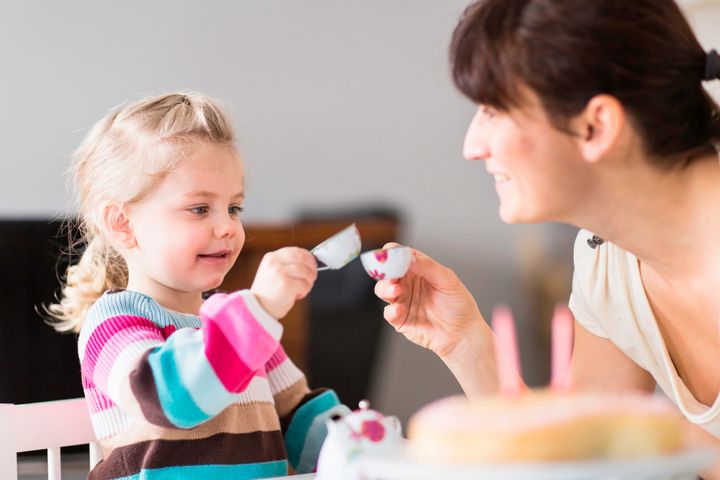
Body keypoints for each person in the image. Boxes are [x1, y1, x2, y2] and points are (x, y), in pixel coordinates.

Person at [374, 0, 720, 474]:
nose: (471, 146)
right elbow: (577, 459)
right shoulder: (608, 261)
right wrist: (466, 342)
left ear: (595, 126)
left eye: (494, 111)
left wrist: (658, 434)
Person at [49, 92, 348, 479]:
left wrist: (361, 444)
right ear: (123, 224)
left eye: (234, 208)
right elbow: (170, 398)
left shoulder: (238, 327)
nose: (227, 226)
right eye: (200, 209)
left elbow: (299, 418)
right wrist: (256, 310)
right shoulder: (113, 323)